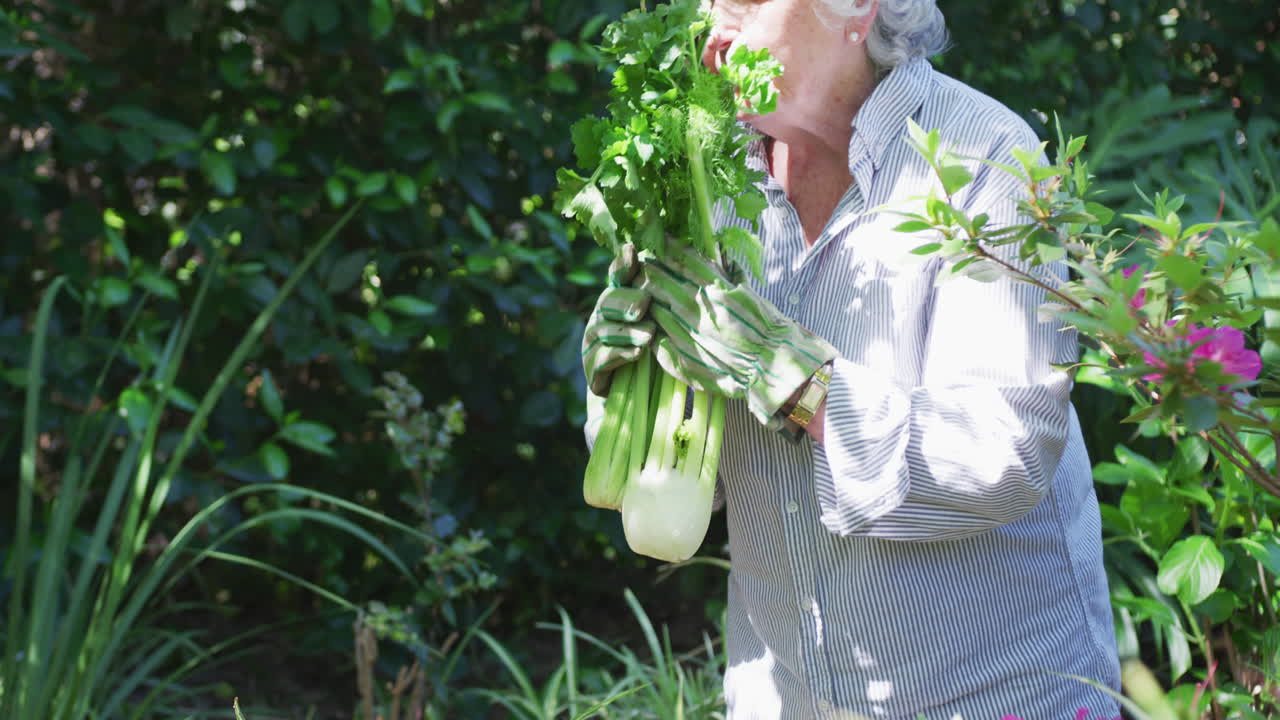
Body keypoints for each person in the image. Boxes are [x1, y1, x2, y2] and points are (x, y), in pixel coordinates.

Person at [581, 0, 1123, 717]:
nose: (713, 23)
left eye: (742, 1)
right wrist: (628, 384)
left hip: (993, 693)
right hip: (782, 695)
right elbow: (694, 487)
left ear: (856, 9)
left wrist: (797, 381)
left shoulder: (986, 159)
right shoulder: (699, 168)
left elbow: (1004, 453)